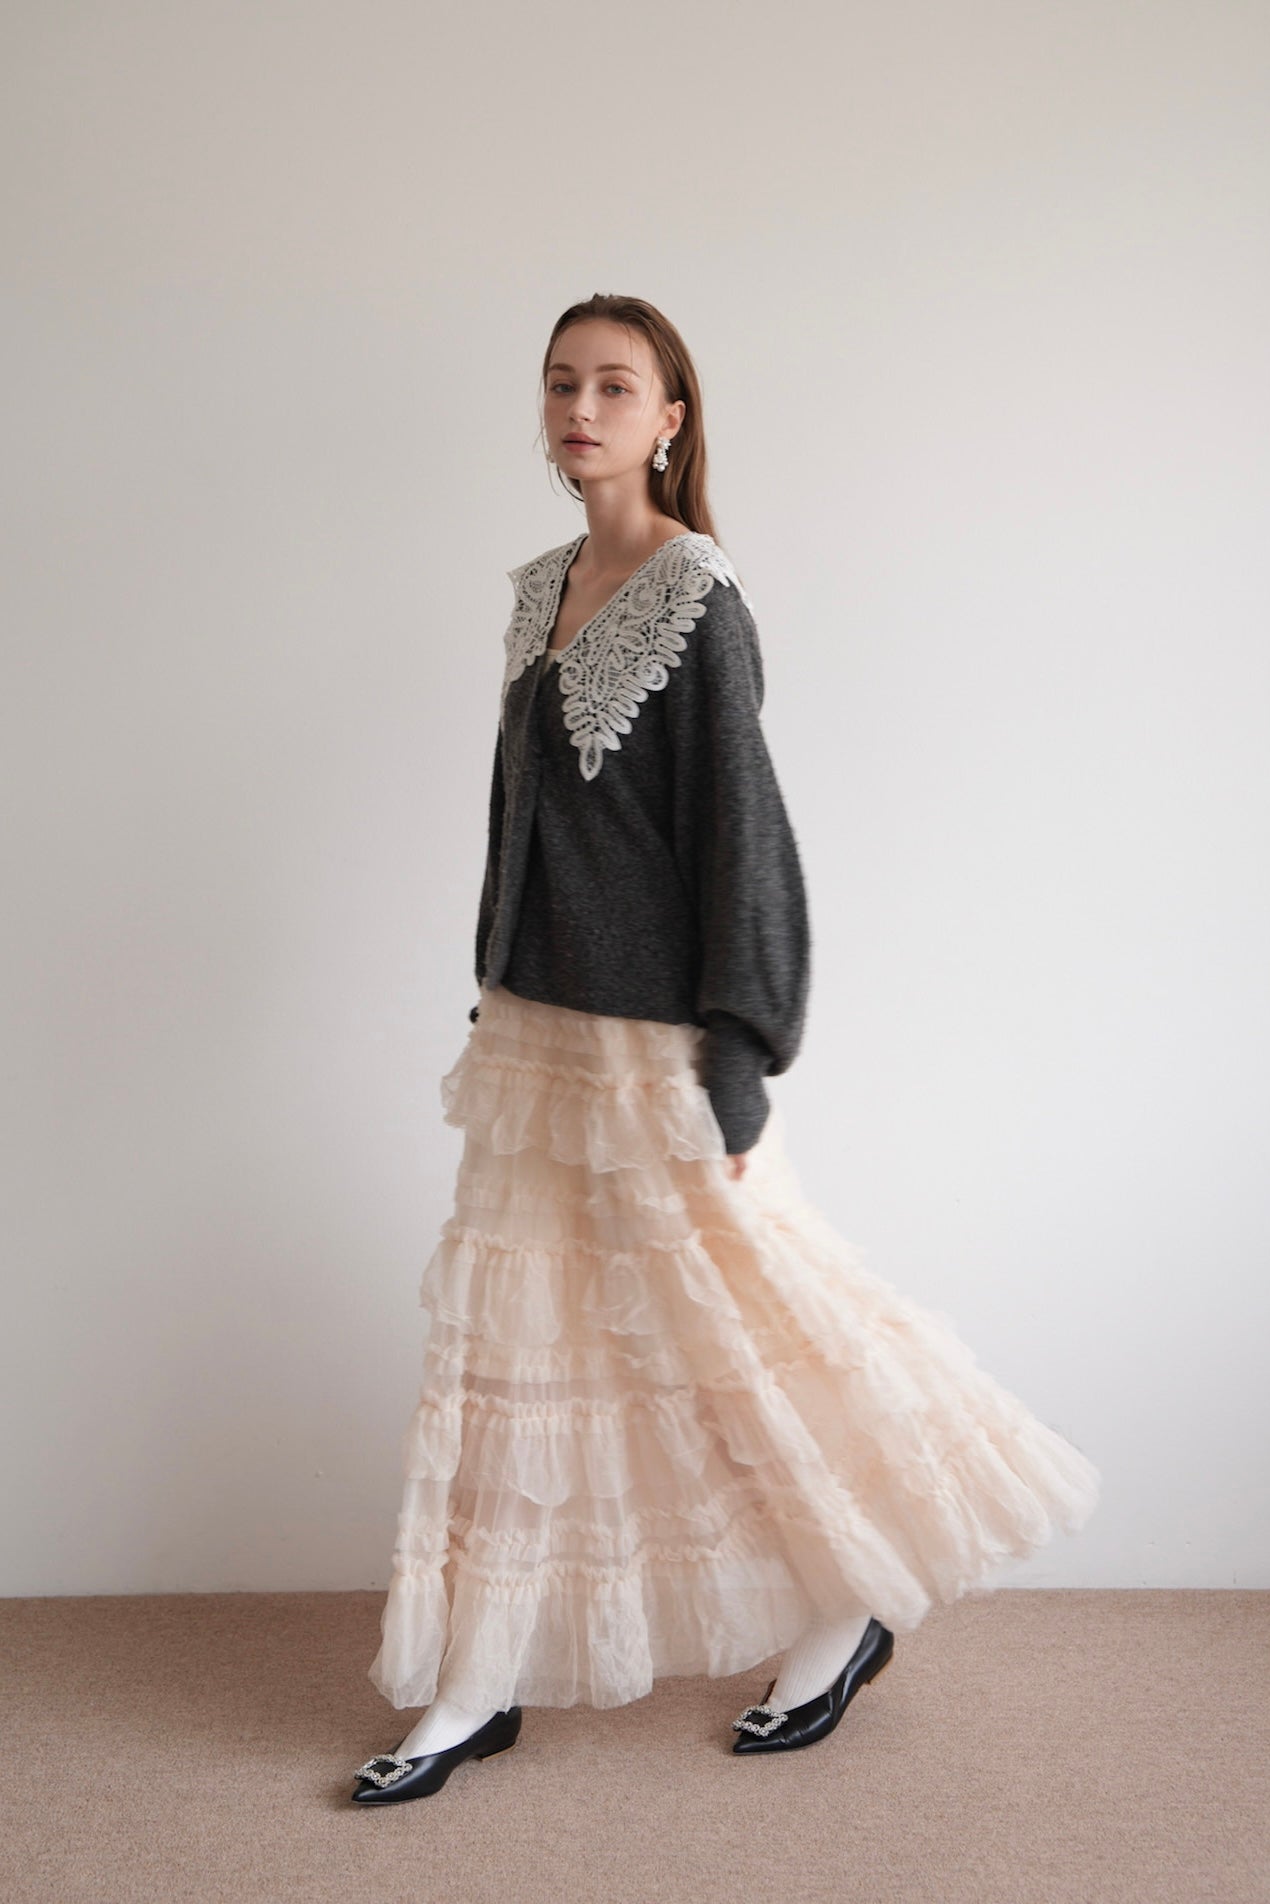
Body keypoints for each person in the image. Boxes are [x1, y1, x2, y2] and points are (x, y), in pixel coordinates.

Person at [351, 294, 1101, 1804]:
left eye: (614, 385)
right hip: (533, 1035)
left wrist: (742, 1046)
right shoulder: (540, 588)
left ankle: (846, 1605)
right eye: (561, 383)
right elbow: (522, 818)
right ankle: (477, 1678)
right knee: (515, 1354)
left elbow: (743, 831)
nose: (581, 408)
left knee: (740, 1332)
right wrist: (493, 980)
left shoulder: (695, 594)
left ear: (670, 417)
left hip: (658, 1042)